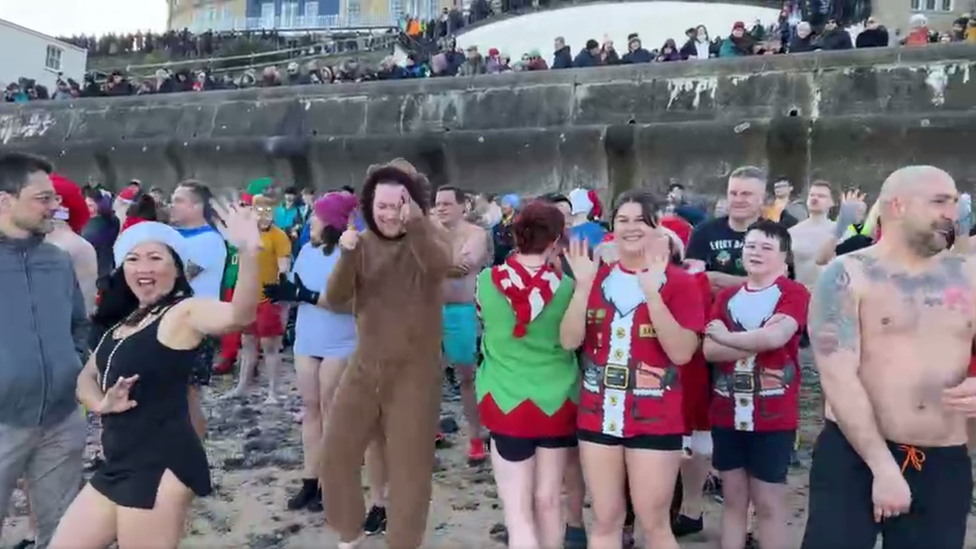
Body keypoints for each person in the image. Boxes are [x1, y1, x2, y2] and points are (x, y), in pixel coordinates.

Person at [50, 202, 261, 549]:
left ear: (177, 268)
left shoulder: (182, 313)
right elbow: (85, 378)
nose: (143, 267)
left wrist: (249, 252)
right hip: (118, 464)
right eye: (133, 259)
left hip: (161, 465)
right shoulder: (124, 322)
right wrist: (102, 403)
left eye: (155, 258)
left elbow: (239, 315)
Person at [801, 166, 976, 549]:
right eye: (940, 201)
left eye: (955, 200)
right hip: (853, 456)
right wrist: (882, 466)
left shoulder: (970, 274)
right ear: (897, 205)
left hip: (942, 460)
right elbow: (838, 377)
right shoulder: (848, 274)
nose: (955, 211)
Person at [561, 189, 704, 549]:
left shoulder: (681, 282)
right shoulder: (594, 278)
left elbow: (683, 352)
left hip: (656, 416)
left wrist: (653, 294)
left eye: (640, 220)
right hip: (598, 415)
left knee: (654, 523)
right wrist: (581, 287)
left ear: (658, 227)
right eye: (622, 220)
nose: (630, 228)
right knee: (606, 519)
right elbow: (568, 341)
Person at [318, 162, 450, 549]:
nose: (391, 214)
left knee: (410, 474)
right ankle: (350, 535)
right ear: (368, 207)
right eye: (383, 206)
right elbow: (337, 297)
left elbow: (441, 267)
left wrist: (419, 226)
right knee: (336, 455)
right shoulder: (361, 244)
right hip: (365, 367)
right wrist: (345, 255)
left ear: (413, 205)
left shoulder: (427, 238)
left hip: (415, 376)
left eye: (399, 205)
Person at [476, 200, 579, 549]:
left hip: (506, 400)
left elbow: (486, 326)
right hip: (557, 400)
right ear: (555, 240)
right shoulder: (568, 288)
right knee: (549, 501)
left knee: (517, 513)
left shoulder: (487, 282)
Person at [0, 153, 90, 549]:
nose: (57, 206)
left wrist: (73, 366)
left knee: (65, 532)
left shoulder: (57, 260)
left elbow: (78, 323)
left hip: (61, 419)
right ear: (5, 200)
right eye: (44, 198)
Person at [702, 220, 809, 549]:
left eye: (766, 247)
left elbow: (777, 337)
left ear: (784, 257)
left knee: (768, 502)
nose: (756, 253)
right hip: (725, 413)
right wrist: (755, 341)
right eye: (750, 246)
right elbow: (709, 349)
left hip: (773, 416)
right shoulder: (728, 296)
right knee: (733, 500)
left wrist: (729, 337)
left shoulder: (793, 292)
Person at [263, 192, 359, 513]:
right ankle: (310, 481)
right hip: (308, 338)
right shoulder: (305, 250)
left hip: (341, 341)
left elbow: (349, 304)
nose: (311, 221)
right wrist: (284, 294)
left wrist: (304, 293)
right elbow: (297, 290)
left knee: (332, 412)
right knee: (310, 409)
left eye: (317, 216)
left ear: (330, 221)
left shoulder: (350, 255)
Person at [434, 186, 490, 464]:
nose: (441, 208)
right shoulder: (428, 232)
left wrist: (425, 264)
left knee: (467, 376)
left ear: (462, 206)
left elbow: (465, 267)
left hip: (461, 310)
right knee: (426, 375)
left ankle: (476, 436)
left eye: (446, 203)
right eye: (437, 204)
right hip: (428, 310)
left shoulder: (476, 234)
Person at [169, 181, 227, 438]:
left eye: (179, 200)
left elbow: (180, 278)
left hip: (195, 325)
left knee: (188, 394)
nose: (172, 205)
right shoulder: (175, 235)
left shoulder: (208, 240)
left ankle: (194, 457)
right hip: (173, 321)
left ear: (196, 206)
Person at [223, 194, 291, 403]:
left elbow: (284, 265)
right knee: (248, 342)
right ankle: (242, 386)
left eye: (268, 212)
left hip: (268, 299)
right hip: (248, 297)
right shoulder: (247, 235)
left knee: (271, 346)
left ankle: (273, 391)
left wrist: (282, 289)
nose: (264, 216)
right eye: (259, 211)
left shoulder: (279, 236)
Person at [687, 166, 768, 293]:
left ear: (762, 199)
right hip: (712, 310)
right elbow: (691, 279)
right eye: (733, 193)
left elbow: (777, 282)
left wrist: (717, 278)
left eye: (746, 194)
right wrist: (750, 282)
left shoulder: (775, 234)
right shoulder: (703, 231)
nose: (738, 200)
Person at [788, 181, 836, 291]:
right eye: (812, 195)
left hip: (831, 296)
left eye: (821, 196)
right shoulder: (792, 232)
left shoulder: (843, 232)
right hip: (801, 294)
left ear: (832, 202)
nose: (815, 199)